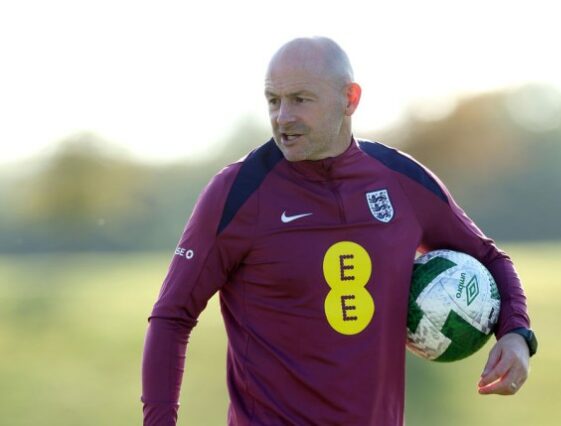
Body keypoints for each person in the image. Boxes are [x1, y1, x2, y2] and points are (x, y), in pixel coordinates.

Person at [141, 36, 537, 425]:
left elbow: (489, 258)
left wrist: (516, 332)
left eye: (300, 99)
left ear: (350, 99)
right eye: (273, 101)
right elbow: (172, 316)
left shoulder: (401, 180)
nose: (283, 117)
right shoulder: (237, 193)